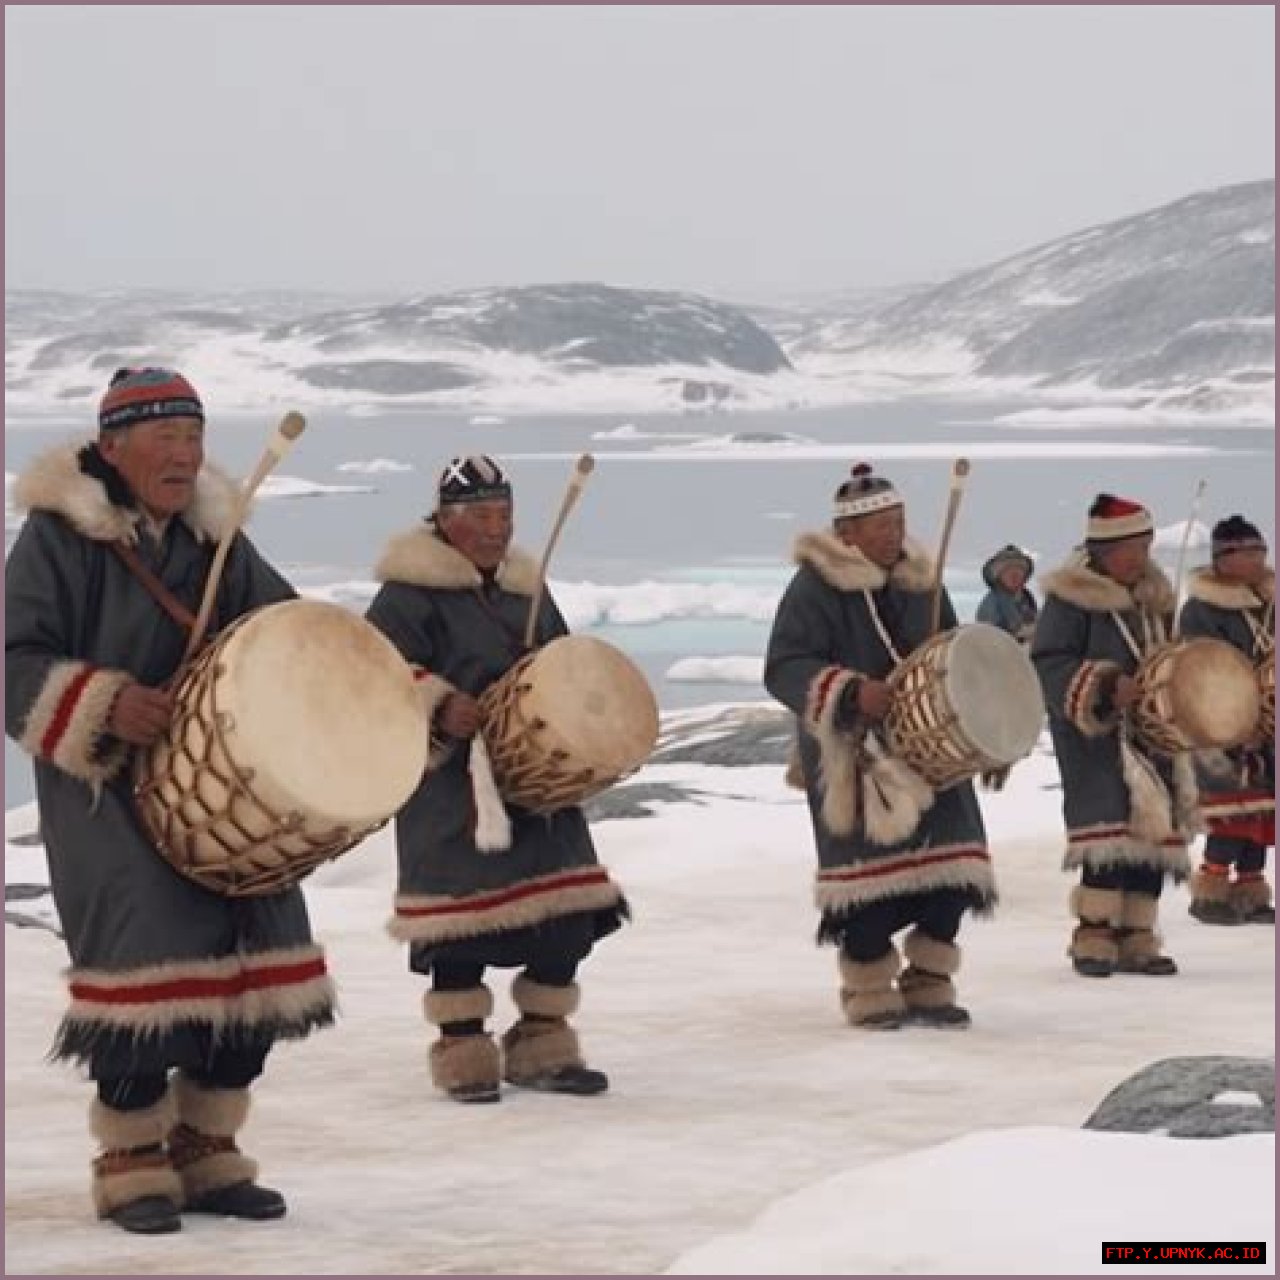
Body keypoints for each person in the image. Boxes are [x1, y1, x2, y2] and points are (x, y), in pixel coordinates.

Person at [4, 368, 335, 1234]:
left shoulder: (214, 541)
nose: (185, 455)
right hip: (106, 796)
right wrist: (107, 704)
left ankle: (205, 1149)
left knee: (260, 975)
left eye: (194, 438)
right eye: (166, 438)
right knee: (143, 984)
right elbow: (14, 659)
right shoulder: (55, 539)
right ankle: (130, 1159)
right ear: (112, 447)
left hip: (230, 792)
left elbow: (282, 631)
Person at [364, 455, 627, 1103]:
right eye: (481, 516)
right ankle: (463, 1051)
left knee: (564, 919)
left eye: (504, 515)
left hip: (537, 792)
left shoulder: (524, 589)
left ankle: (543, 1043)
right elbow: (372, 673)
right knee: (461, 929)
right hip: (451, 787)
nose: (496, 529)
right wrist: (438, 701)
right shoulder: (407, 593)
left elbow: (562, 664)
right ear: (447, 520)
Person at [763, 463, 996, 1031]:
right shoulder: (814, 588)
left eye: (898, 523)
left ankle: (929, 981)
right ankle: (868, 989)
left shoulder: (924, 581)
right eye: (880, 527)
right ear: (848, 535)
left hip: (933, 755)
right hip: (855, 756)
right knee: (868, 893)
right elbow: (785, 667)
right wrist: (849, 692)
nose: (894, 535)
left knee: (953, 877)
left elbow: (957, 658)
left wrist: (986, 729)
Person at [1031, 493, 1196, 978]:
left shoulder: (1155, 597)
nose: (1138, 557)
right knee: (1106, 831)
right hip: (1095, 736)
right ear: (1104, 552)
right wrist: (1103, 685)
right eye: (1129, 549)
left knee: (1154, 834)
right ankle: (1095, 934)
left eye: (1144, 546)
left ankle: (1139, 934)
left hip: (1152, 734)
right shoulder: (1070, 598)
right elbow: (1047, 664)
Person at [1179, 515, 1275, 925]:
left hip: (1266, 722)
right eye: (1249, 552)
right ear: (1223, 558)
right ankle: (1210, 892)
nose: (1258, 560)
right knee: (1231, 810)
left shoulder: (1269, 604)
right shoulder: (1201, 610)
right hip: (1220, 720)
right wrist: (1239, 717)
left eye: (1261, 551)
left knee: (1264, 808)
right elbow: (1207, 666)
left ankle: (1250, 890)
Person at [975, 544, 1038, 642]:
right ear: (998, 576)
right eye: (1007, 570)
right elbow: (989, 639)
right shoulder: (991, 603)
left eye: (1019, 569)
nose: (1014, 575)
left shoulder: (1027, 599)